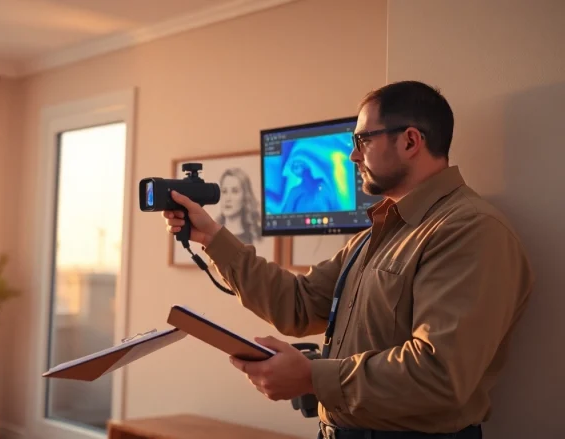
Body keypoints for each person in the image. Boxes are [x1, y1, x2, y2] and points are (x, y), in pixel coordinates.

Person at [162, 81, 534, 439]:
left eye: (362, 140)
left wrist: (311, 377)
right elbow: (299, 303)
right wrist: (211, 237)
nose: (353, 155)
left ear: (410, 141)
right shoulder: (375, 234)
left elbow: (439, 373)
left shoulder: (470, 230)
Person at [215, 167, 262, 245]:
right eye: (224, 191)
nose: (228, 198)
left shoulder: (255, 237)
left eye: (235, 191)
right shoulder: (212, 235)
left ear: (245, 196)